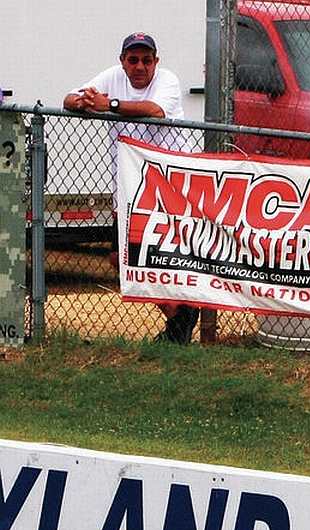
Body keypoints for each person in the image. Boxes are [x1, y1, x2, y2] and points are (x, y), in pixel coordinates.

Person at [64, 32, 199, 344]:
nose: (140, 66)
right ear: (122, 62)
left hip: (170, 188)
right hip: (129, 187)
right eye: (133, 59)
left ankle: (180, 323)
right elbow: (68, 99)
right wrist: (84, 102)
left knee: (162, 257)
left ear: (156, 62)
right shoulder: (113, 77)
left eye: (146, 60)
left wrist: (108, 104)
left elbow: (155, 110)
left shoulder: (167, 80)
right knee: (118, 258)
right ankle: (181, 314)